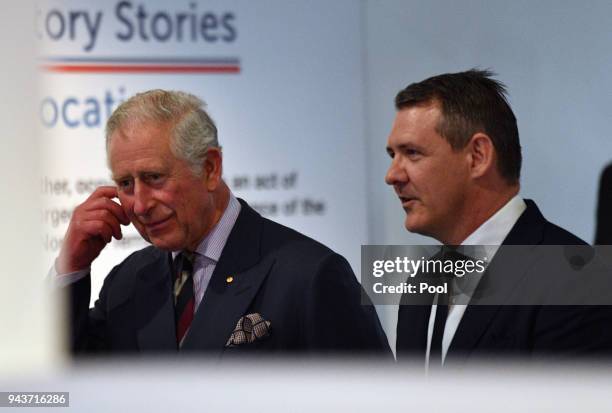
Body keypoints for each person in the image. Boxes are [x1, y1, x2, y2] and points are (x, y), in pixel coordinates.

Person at [56, 89, 390, 356]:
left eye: (155, 177)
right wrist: (70, 266)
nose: (140, 205)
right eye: (126, 184)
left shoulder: (310, 275)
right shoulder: (127, 283)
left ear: (210, 168)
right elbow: (66, 383)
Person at [385, 69, 612, 368]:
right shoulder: (420, 283)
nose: (392, 176)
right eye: (393, 155)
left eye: (412, 153)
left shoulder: (578, 281)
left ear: (478, 156)